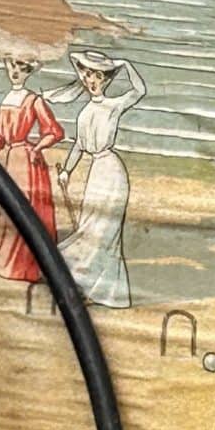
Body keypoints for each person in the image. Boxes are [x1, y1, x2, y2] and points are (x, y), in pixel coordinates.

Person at [54, 48, 145, 309]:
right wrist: (66, 171)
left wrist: (125, 63)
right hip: (96, 171)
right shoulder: (84, 113)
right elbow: (79, 146)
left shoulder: (113, 106)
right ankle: (84, 285)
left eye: (98, 76)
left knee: (106, 231)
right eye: (87, 75)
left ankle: (99, 290)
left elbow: (139, 91)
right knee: (89, 227)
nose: (92, 81)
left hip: (113, 172)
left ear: (105, 79)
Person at [0, 56, 65, 307]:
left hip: (26, 162)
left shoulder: (33, 100)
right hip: (8, 159)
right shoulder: (7, 99)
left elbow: (54, 131)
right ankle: (4, 261)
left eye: (22, 68)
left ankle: (24, 266)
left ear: (29, 72)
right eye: (12, 66)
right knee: (8, 208)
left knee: (25, 208)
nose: (16, 72)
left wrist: (37, 148)